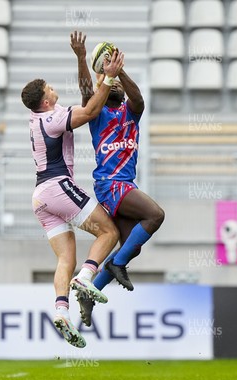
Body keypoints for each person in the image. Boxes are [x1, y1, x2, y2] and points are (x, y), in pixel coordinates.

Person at [20, 32, 124, 348]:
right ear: (46, 100)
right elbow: (91, 110)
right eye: (51, 89)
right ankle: (87, 277)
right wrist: (108, 77)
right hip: (57, 186)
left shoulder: (35, 119)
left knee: (65, 259)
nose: (55, 90)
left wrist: (81, 58)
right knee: (109, 232)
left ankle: (62, 312)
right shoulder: (52, 118)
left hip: (40, 196)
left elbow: (84, 95)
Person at [71, 32, 165, 326]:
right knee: (156, 215)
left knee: (130, 246)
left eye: (118, 85)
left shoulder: (130, 112)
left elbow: (138, 98)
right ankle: (116, 262)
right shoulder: (97, 114)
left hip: (125, 187)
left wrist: (119, 71)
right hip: (111, 185)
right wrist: (82, 57)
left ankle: (91, 292)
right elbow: (88, 92)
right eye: (108, 83)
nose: (116, 88)